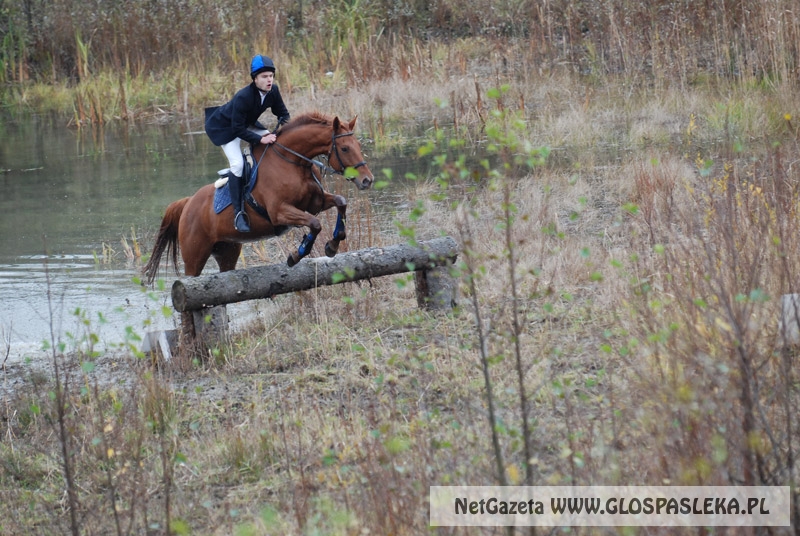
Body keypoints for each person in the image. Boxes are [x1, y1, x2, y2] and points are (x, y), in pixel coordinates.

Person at [205, 54, 291, 232]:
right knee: (237, 164)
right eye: (264, 77)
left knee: (273, 140)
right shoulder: (243, 96)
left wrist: (288, 128)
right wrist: (260, 139)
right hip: (226, 129)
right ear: (255, 79)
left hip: (245, 124)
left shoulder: (273, 91)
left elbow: (283, 114)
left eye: (271, 76)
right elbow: (237, 130)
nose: (269, 80)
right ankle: (239, 214)